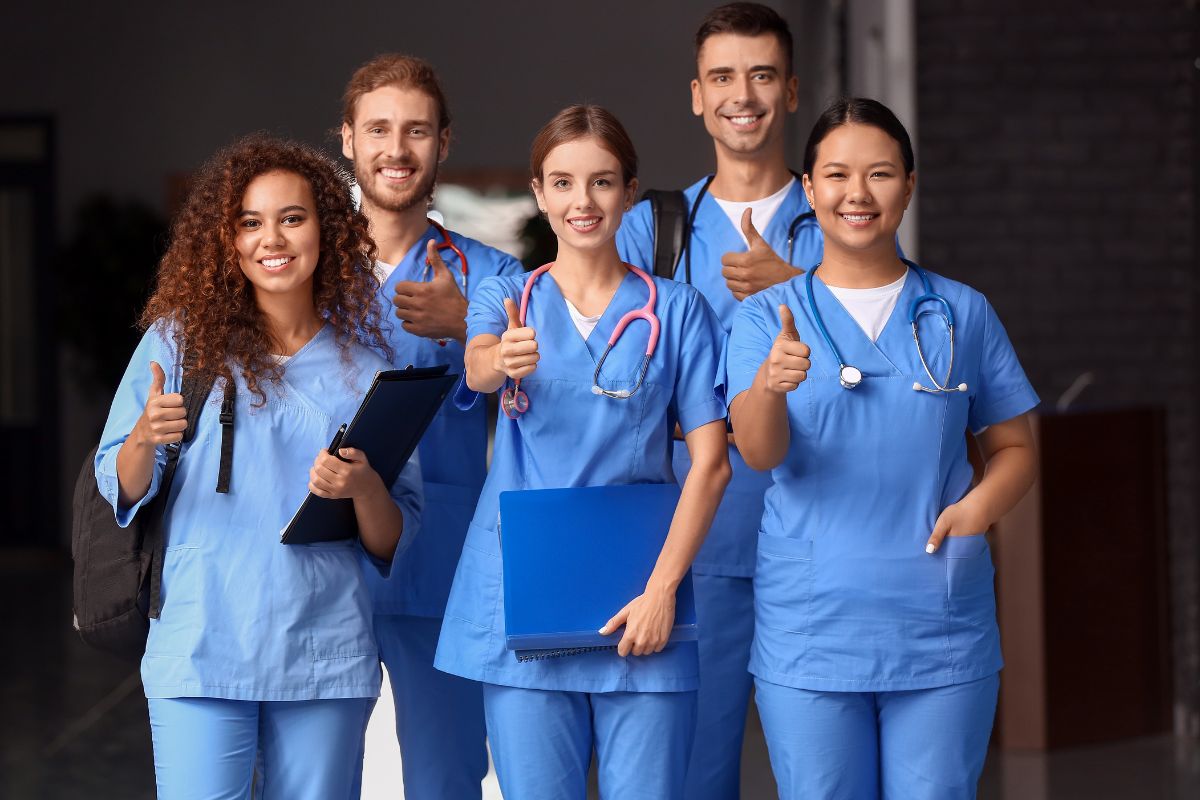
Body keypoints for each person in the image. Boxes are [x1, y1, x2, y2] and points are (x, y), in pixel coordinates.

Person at [726, 97, 1039, 799]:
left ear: (909, 184)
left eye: (880, 174)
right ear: (808, 189)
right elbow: (759, 452)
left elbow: (1015, 444)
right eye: (836, 175)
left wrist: (977, 510)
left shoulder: (961, 312)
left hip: (939, 619)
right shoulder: (765, 317)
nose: (857, 195)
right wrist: (771, 386)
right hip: (813, 625)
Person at [94, 135, 422, 799]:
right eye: (249, 222)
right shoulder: (178, 346)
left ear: (325, 231)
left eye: (292, 218)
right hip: (202, 643)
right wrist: (142, 439)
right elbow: (121, 488)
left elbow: (394, 538)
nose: (271, 239)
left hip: (323, 653)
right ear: (227, 239)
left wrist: (363, 488)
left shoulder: (369, 370)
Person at [434, 105, 731, 800]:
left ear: (629, 192)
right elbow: (478, 367)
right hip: (527, 601)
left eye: (602, 182)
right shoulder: (508, 298)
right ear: (539, 193)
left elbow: (712, 462)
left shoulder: (678, 310)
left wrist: (661, 594)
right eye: (562, 183)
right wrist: (499, 359)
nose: (582, 201)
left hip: (641, 599)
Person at [614, 4, 821, 794]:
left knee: (822, 770)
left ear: (792, 90)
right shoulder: (653, 231)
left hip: (817, 532)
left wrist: (798, 289)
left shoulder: (840, 214)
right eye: (724, 77)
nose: (744, 94)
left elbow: (886, 354)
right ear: (697, 95)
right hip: (697, 538)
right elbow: (599, 353)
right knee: (696, 771)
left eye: (763, 74)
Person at [338, 53, 524, 800]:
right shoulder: (301, 267)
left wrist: (464, 326)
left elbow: (553, 398)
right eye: (378, 129)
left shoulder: (495, 279)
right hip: (324, 563)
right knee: (313, 774)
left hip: (444, 558)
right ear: (347, 140)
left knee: (445, 777)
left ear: (444, 143)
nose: (396, 148)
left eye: (416, 131)